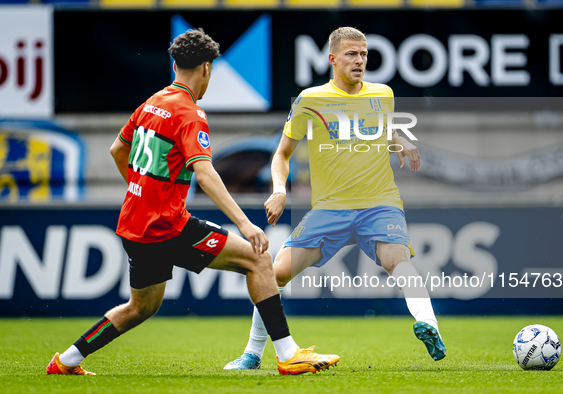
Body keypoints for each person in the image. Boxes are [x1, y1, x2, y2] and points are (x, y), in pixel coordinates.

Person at [46, 28, 339, 376]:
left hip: (135, 225)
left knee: (140, 308)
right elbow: (204, 173)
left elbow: (117, 150)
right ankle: (288, 354)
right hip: (167, 226)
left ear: (174, 65)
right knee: (257, 260)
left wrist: (142, 190)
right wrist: (245, 224)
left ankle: (66, 361)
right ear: (206, 68)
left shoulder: (152, 102)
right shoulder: (190, 113)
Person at [225, 27, 445, 371]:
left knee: (398, 260)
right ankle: (252, 354)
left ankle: (429, 324)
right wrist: (279, 191)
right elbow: (281, 154)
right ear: (332, 59)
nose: (360, 61)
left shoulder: (382, 94)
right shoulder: (310, 100)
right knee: (275, 272)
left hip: (379, 203)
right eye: (352, 54)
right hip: (330, 209)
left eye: (364, 54)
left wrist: (399, 139)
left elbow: (377, 127)